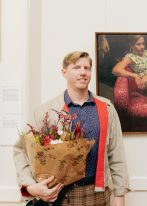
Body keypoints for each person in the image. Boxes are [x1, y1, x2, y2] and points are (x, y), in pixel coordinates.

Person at [13, 51, 130, 206]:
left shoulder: (106, 108)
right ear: (64, 72)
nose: (83, 72)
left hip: (99, 195)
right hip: (59, 196)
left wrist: (120, 195)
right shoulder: (46, 111)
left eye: (86, 68)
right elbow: (21, 149)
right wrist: (31, 187)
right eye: (76, 67)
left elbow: (116, 154)